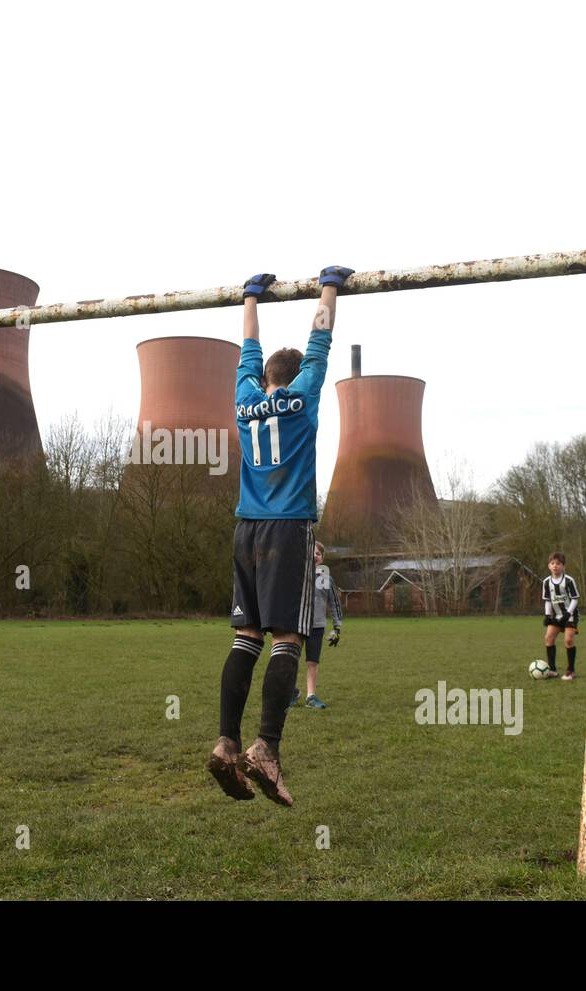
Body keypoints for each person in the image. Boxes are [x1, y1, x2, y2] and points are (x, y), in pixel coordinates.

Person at [206, 264, 354, 807]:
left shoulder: (246, 397)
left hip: (245, 529)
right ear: (296, 377)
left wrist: (250, 295)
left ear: (265, 375)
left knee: (245, 638)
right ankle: (265, 747)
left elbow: (248, 344)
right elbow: (322, 334)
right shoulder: (305, 394)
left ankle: (225, 742)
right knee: (287, 639)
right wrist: (330, 286)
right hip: (288, 531)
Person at [291, 540, 342, 709]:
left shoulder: (327, 578)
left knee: (312, 662)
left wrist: (337, 627)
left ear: (322, 558)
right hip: (297, 625)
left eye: (318, 554)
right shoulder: (297, 575)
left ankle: (311, 697)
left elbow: (334, 603)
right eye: (311, 553)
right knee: (291, 660)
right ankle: (291, 692)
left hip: (317, 626)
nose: (314, 556)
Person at [541, 552, 580, 680]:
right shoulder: (546, 582)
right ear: (549, 566)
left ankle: (570, 671)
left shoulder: (569, 581)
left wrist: (568, 613)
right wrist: (548, 615)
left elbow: (574, 599)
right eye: (552, 563)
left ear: (563, 566)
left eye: (558, 563)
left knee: (568, 640)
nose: (555, 566)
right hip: (556, 616)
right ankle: (552, 670)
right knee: (548, 638)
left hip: (570, 616)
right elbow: (547, 600)